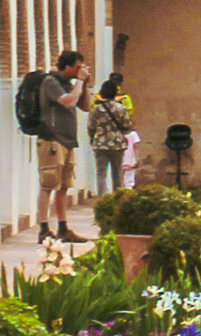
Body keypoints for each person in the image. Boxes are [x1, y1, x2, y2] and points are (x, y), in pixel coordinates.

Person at [34, 48, 86, 241]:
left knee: (64, 186)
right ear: (68, 66)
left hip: (67, 141)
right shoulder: (51, 82)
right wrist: (79, 82)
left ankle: (63, 228)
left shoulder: (69, 84)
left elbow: (86, 106)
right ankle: (44, 228)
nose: (80, 70)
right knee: (48, 185)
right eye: (78, 67)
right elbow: (69, 102)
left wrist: (83, 83)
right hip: (52, 141)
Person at [87, 70, 136, 191]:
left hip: (100, 144)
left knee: (101, 173)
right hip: (117, 144)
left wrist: (92, 138)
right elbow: (127, 125)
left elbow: (91, 126)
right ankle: (117, 197)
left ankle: (102, 198)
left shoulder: (96, 109)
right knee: (117, 172)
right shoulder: (121, 108)